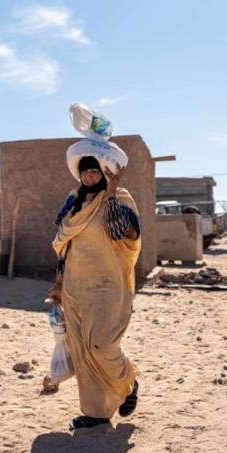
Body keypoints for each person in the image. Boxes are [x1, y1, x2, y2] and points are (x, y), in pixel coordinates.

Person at [48, 155, 141, 430]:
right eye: (84, 173)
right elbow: (65, 246)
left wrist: (110, 192)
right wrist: (59, 283)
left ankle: (129, 381)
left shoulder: (120, 196)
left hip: (108, 284)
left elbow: (121, 232)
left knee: (101, 344)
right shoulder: (74, 200)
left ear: (102, 172)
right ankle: (96, 412)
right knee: (81, 351)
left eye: (94, 172)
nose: (89, 177)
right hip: (76, 287)